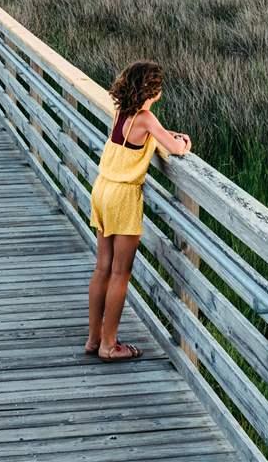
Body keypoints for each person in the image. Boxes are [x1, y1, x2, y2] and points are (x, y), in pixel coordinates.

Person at [84, 59, 192, 362]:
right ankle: (110, 345)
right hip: (123, 197)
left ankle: (93, 340)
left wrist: (163, 135)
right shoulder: (145, 118)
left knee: (102, 268)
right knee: (121, 272)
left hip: (103, 188)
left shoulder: (122, 113)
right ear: (152, 90)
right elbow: (176, 148)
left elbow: (149, 137)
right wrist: (183, 141)